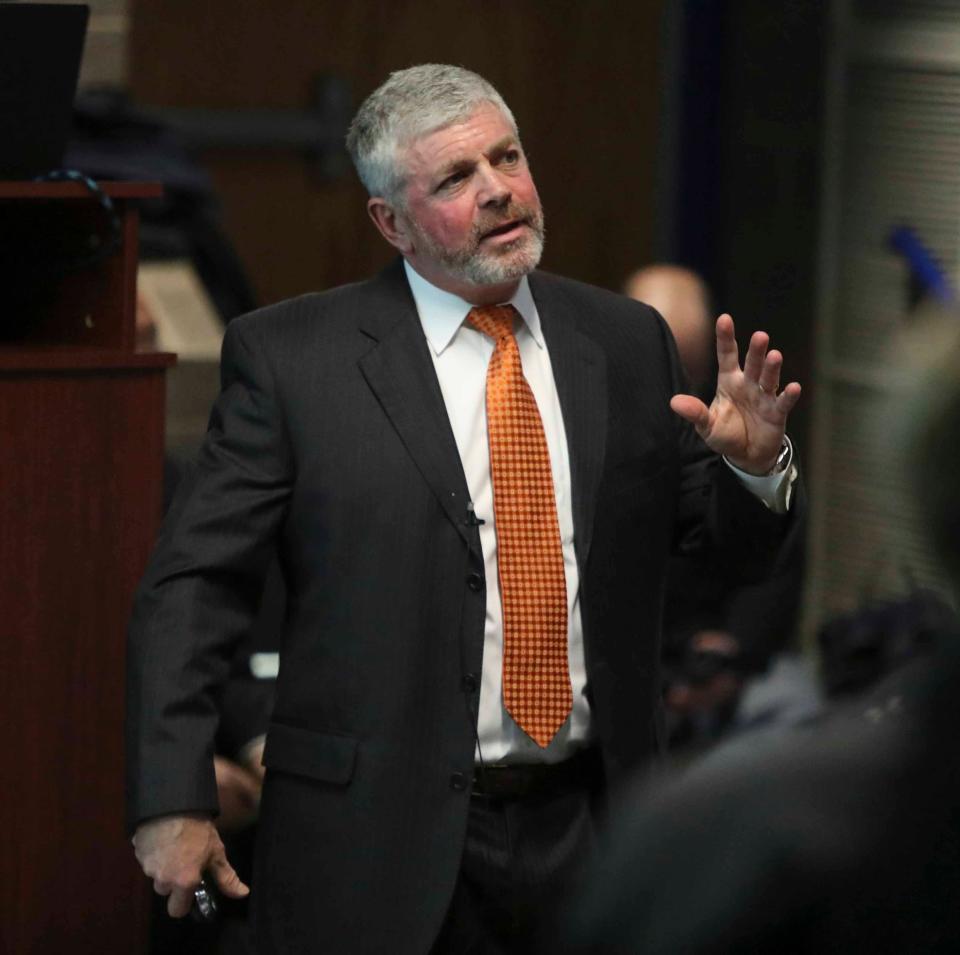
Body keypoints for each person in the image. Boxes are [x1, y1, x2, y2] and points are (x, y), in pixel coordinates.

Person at [127, 64, 802, 954]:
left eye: (506, 157)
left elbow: (719, 552)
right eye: (454, 178)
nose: (497, 191)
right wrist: (173, 794)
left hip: (594, 822)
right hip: (373, 838)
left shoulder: (625, 341)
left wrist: (754, 473)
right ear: (390, 221)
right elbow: (194, 585)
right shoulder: (294, 359)